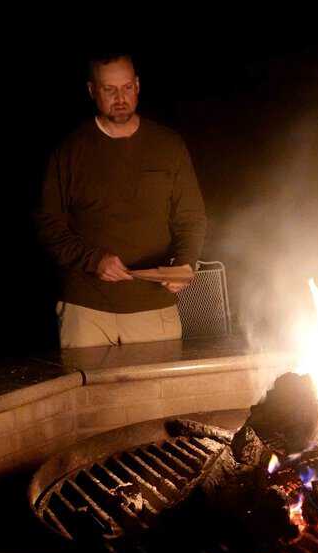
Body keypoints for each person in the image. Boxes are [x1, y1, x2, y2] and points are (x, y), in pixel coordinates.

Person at [36, 53, 207, 348]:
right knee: (91, 395)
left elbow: (191, 216)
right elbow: (48, 225)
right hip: (87, 310)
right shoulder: (70, 150)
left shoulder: (167, 145)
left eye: (127, 87)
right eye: (109, 89)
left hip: (153, 306)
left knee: (156, 396)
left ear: (138, 85)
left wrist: (185, 263)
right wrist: (93, 259)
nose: (120, 98)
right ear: (92, 91)